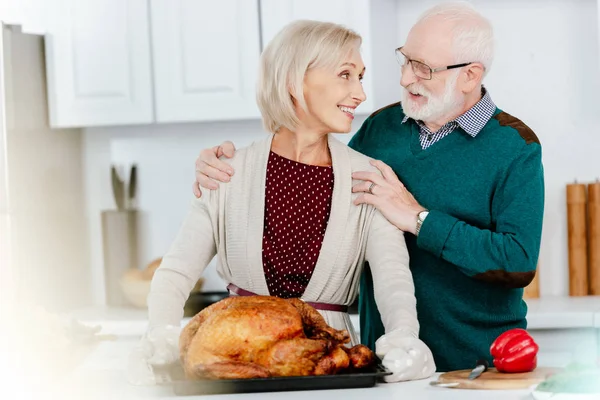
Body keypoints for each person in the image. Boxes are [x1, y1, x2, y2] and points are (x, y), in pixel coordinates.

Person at [192, 2, 545, 372]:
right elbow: (317, 183)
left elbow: (517, 260)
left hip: (478, 365)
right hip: (385, 362)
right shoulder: (381, 128)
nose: (406, 79)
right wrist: (227, 168)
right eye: (405, 60)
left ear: (470, 75)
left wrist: (419, 219)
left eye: (423, 68)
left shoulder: (514, 146)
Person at [127, 20, 436, 386]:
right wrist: (161, 331)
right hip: (234, 361)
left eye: (361, 77)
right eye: (345, 75)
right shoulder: (227, 172)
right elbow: (176, 272)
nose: (360, 93)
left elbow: (393, 279)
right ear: (294, 80)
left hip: (330, 371)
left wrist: (403, 335)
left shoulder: (369, 178)